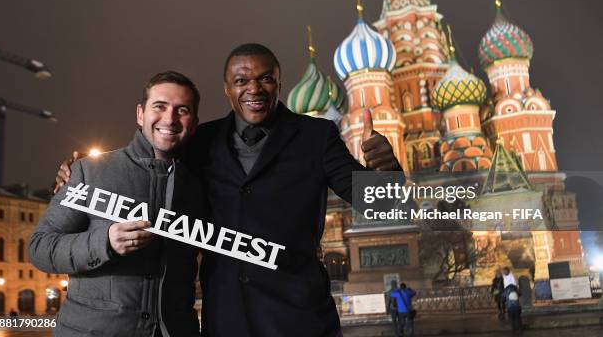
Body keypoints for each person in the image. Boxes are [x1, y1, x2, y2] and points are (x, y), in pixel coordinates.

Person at [55, 43, 401, 336]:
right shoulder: (201, 140)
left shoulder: (317, 136)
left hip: (298, 316)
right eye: (242, 80)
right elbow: (147, 166)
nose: (254, 89)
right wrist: (86, 171)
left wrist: (388, 171)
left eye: (266, 78)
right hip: (225, 317)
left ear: (279, 83)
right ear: (227, 88)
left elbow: (383, 208)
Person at [31, 72, 205, 336]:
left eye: (182, 110)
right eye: (159, 106)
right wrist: (105, 242)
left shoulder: (201, 185)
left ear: (194, 123)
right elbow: (40, 248)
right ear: (140, 114)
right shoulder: (88, 172)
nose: (169, 119)